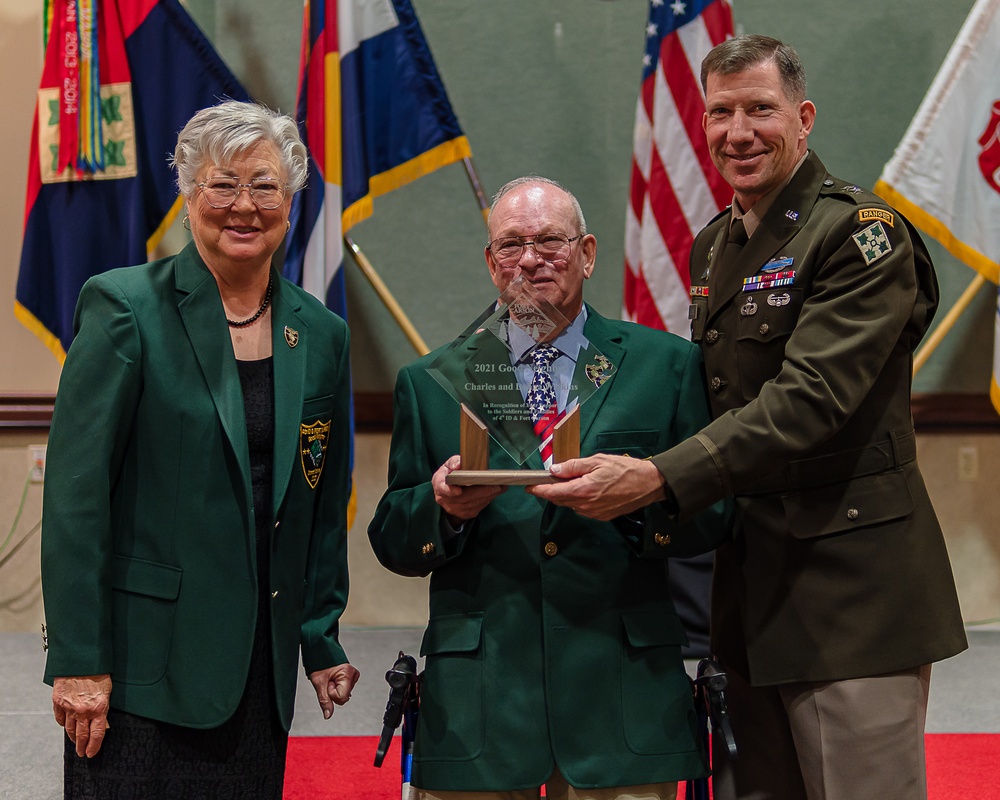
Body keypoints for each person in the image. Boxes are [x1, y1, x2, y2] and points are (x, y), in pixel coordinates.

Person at [530, 36, 968, 800]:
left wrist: (659, 476)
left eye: (760, 110)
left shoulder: (860, 237)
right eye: (721, 113)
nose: (740, 133)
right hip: (747, 595)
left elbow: (810, 400)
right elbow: (709, 397)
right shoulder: (712, 248)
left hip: (848, 599)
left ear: (803, 118)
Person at [368, 176, 729, 800]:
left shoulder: (665, 366)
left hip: (621, 696)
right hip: (481, 704)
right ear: (490, 263)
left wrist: (641, 498)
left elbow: (717, 514)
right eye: (511, 244)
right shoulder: (432, 380)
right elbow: (393, 538)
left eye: (550, 241)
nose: (530, 259)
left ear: (587, 253)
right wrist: (444, 511)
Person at [40, 100, 360, 799]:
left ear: (291, 198)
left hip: (256, 672)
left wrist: (320, 634)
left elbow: (318, 498)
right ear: (189, 191)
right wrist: (78, 660)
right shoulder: (124, 307)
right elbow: (75, 499)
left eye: (265, 186)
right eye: (222, 184)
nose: (244, 206)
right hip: (138, 673)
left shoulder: (321, 334)